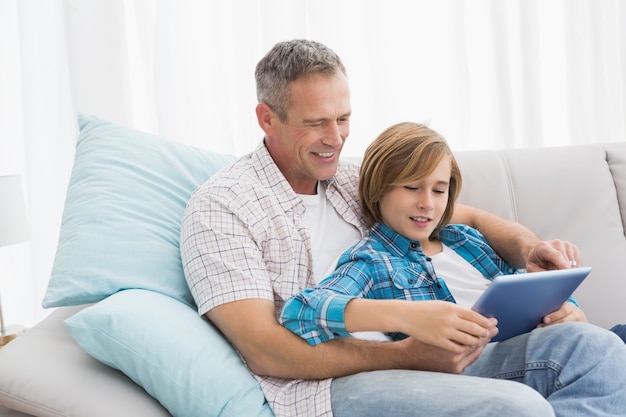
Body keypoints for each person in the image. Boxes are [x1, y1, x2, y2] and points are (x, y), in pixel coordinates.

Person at [180, 39, 626, 417]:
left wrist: (529, 252)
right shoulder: (222, 207)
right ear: (267, 118)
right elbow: (265, 348)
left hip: (445, 353)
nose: (336, 138)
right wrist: (407, 346)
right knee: (518, 406)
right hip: (328, 381)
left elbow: (460, 218)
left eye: (344, 118)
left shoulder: (350, 179)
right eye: (316, 123)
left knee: (598, 347)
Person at [280, 122, 589, 349]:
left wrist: (568, 311)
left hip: (541, 347)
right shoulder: (372, 260)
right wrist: (405, 317)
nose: (427, 203)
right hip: (481, 368)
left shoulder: (466, 240)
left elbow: (527, 289)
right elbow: (300, 311)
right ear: (378, 190)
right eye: (412, 187)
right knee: (597, 349)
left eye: (439, 190)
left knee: (606, 341)